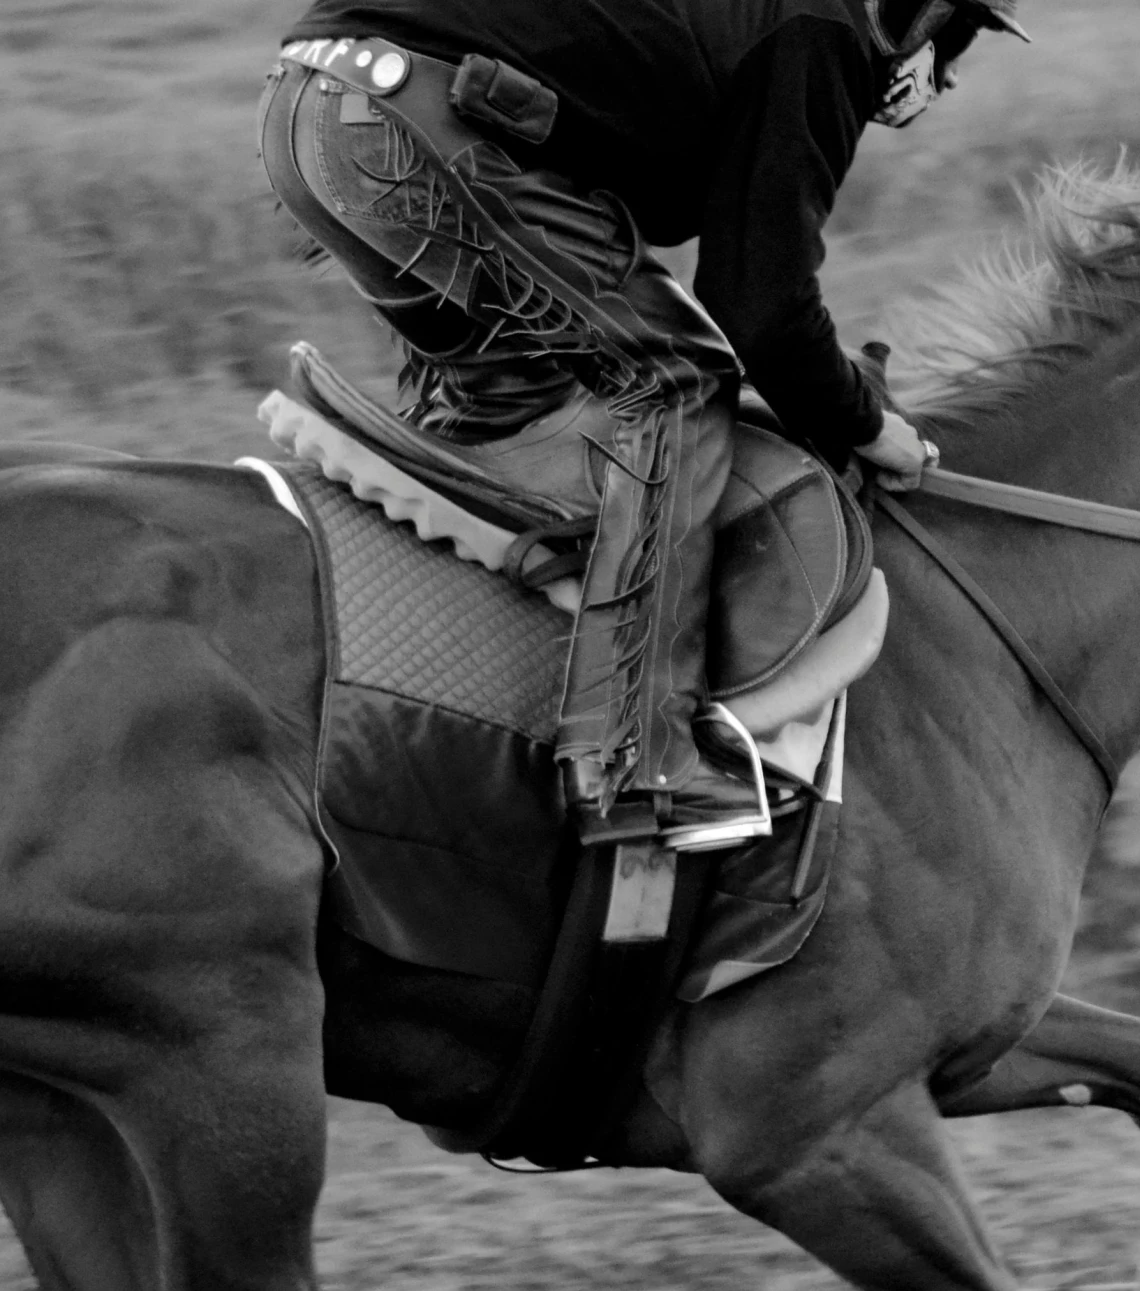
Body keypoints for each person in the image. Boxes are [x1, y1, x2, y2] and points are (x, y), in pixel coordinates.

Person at [258, 0, 1023, 850]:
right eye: (956, 42)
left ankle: (482, 690)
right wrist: (868, 423)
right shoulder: (830, 33)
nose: (946, 78)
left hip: (318, 108)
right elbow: (761, 311)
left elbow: (724, 254)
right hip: (410, 122)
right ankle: (634, 760)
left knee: (521, 414)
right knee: (678, 378)